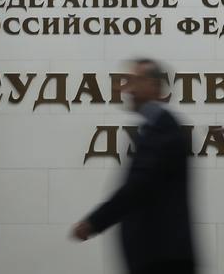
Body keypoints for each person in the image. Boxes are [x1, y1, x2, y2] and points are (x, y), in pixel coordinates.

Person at [71, 58, 196, 274]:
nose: (128, 89)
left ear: (155, 86)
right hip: (156, 257)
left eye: (136, 81)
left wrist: (95, 221)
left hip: (162, 258)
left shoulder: (163, 128)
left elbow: (138, 186)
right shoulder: (154, 128)